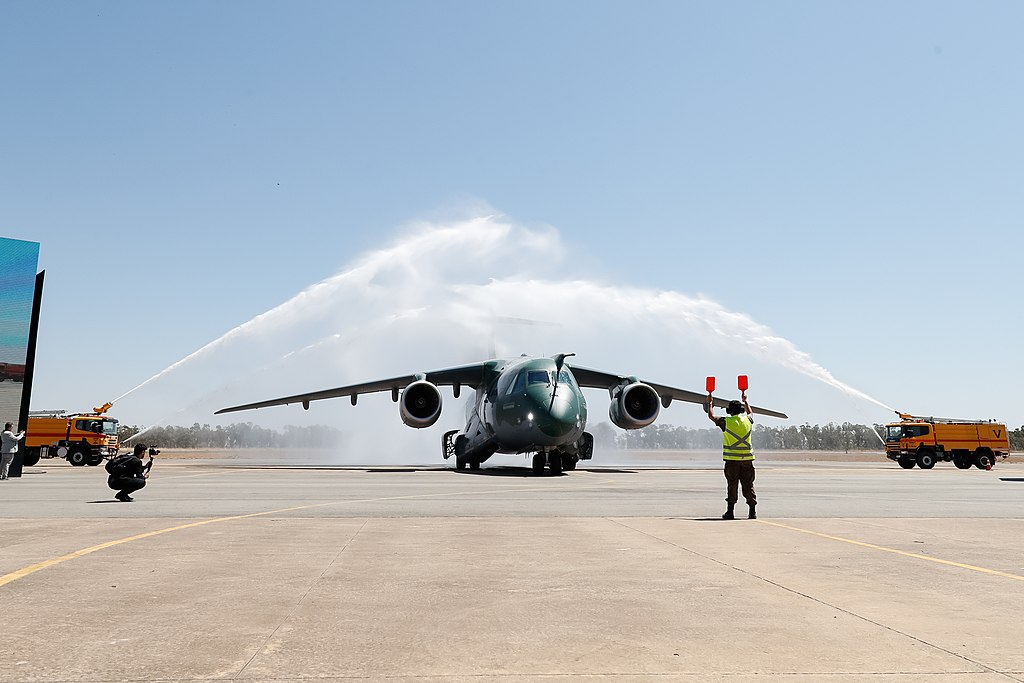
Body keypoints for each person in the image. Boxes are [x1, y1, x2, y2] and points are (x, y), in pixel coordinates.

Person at [707, 393, 756, 520]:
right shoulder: (748, 421)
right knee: (748, 485)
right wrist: (746, 401)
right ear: (741, 410)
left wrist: (710, 403)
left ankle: (730, 512)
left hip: (732, 461)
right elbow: (751, 413)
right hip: (747, 460)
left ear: (729, 411)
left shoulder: (726, 422)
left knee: (732, 485)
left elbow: (711, 416)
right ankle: (752, 511)